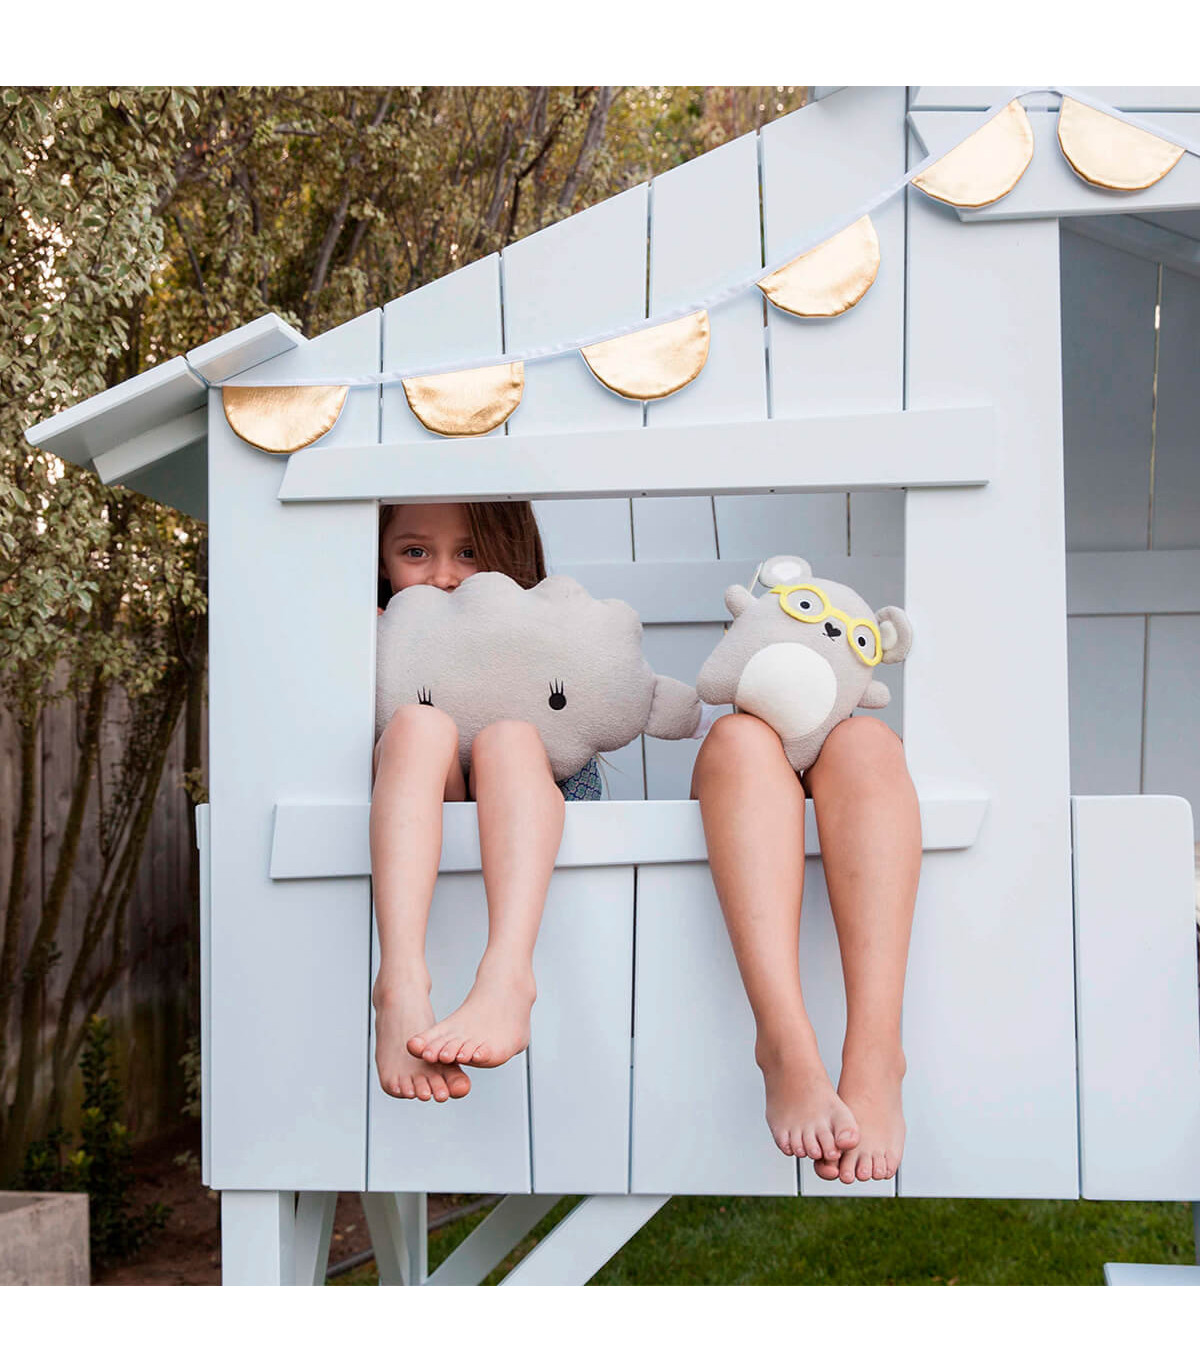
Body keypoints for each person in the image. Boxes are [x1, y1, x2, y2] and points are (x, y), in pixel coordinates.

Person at [370, 500, 601, 1105]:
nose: (444, 575)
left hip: (525, 793)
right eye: (415, 552)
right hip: (423, 785)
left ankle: (507, 976)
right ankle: (399, 983)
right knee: (417, 724)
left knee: (510, 736)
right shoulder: (370, 640)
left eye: (469, 553)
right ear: (382, 561)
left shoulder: (542, 636)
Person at [690, 691, 921, 1184]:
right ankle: (784, 1045)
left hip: (841, 741)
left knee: (867, 742)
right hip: (739, 760)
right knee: (739, 740)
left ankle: (876, 1054)